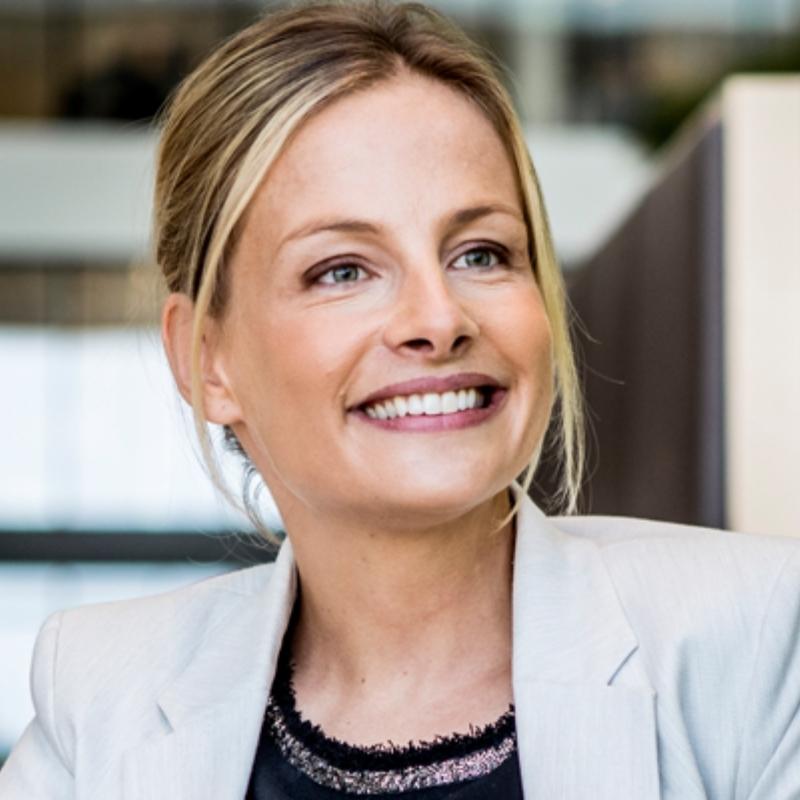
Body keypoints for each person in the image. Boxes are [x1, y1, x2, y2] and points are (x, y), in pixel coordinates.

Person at [1, 2, 799, 798]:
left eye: (481, 253)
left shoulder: (757, 640)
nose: (439, 320)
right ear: (207, 361)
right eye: (343, 270)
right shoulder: (102, 702)